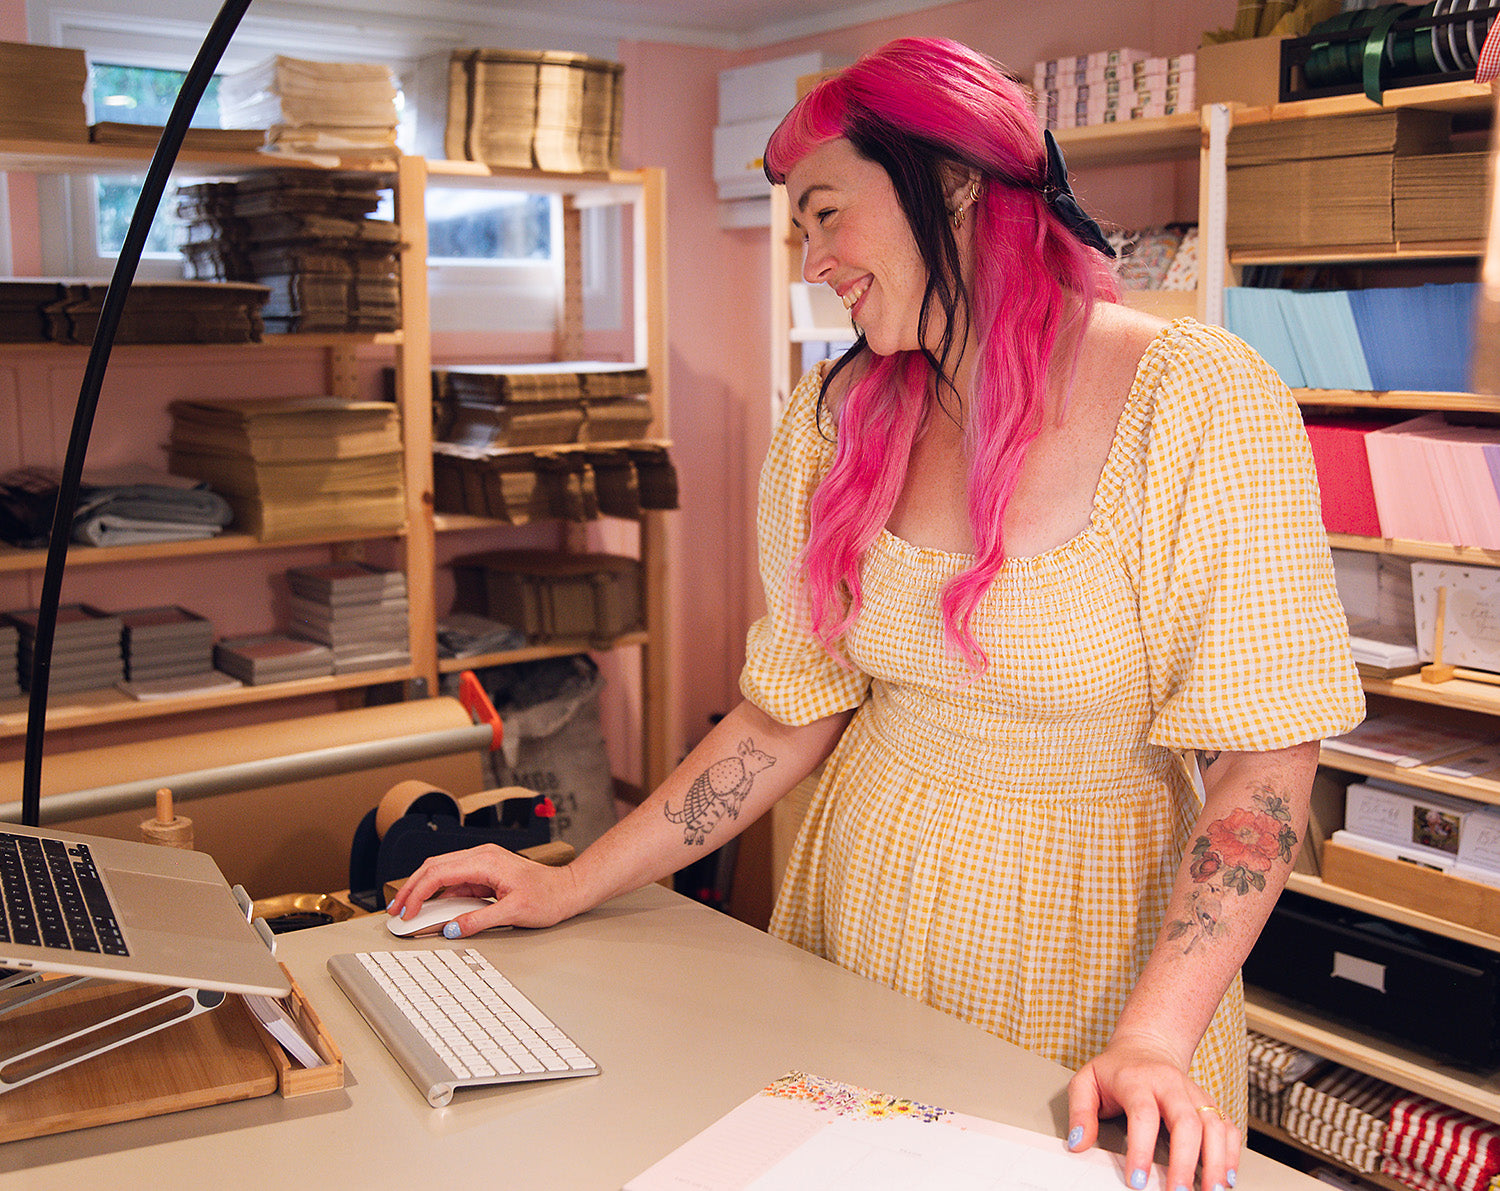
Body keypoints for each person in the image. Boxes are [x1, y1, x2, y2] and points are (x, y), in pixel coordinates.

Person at [389, 36, 1365, 1191]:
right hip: (866, 903)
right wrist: (572, 880)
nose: (812, 262)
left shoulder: (1196, 401)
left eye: (825, 214)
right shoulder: (836, 413)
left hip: (1102, 949)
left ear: (951, 185)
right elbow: (785, 717)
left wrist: (1155, 1037)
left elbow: (1265, 762)